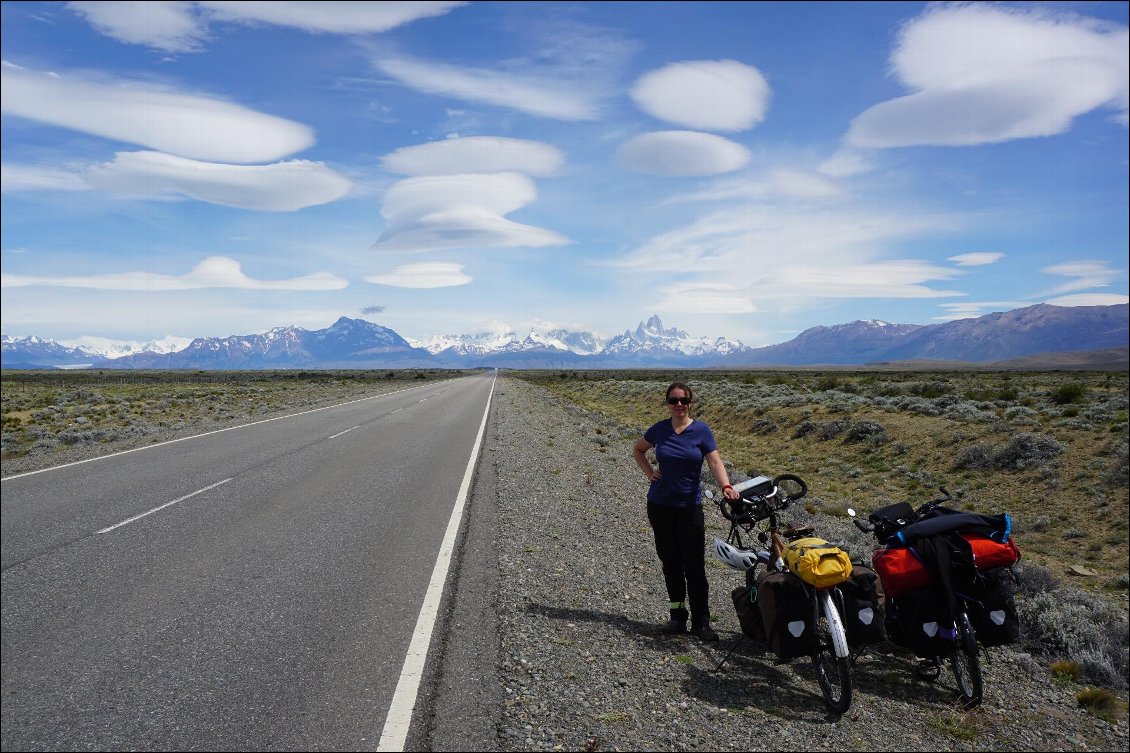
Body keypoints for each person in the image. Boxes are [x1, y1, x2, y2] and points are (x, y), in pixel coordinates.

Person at [633, 382, 739, 641]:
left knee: (694, 565)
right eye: (673, 400)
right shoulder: (659, 429)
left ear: (690, 403)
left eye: (683, 400)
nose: (679, 404)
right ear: (667, 403)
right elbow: (637, 450)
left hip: (689, 507)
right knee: (670, 562)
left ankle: (702, 622)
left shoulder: (701, 430)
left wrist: (725, 485)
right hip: (660, 506)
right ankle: (677, 617)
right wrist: (650, 473)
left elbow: (714, 461)